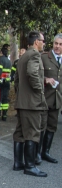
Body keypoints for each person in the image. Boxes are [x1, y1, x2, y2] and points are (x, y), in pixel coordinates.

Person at [12, 31, 48, 177]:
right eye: (43, 41)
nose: (44, 43)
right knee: (33, 133)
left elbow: (16, 80)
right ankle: (30, 166)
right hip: (31, 103)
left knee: (20, 133)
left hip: (22, 101)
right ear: (36, 42)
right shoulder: (34, 55)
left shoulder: (23, 56)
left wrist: (20, 95)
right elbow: (32, 73)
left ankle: (18, 163)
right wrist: (39, 91)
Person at [38, 33, 62, 164]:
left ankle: (46, 152)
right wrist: (45, 79)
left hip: (57, 100)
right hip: (45, 99)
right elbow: (35, 76)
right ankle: (37, 154)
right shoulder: (44, 58)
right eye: (56, 43)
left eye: (60, 44)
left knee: (52, 127)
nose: (57, 46)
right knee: (42, 126)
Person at [0, 47, 12, 121]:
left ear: (1, 52)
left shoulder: (1, 59)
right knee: (5, 99)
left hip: (1, 82)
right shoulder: (9, 61)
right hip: (7, 82)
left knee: (0, 98)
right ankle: (5, 116)